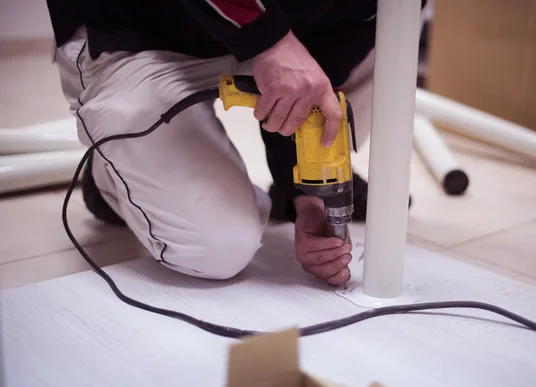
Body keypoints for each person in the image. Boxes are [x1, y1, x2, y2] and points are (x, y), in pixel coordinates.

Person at [46, 0, 426, 286]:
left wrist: (307, 193)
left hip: (285, 34)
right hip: (136, 35)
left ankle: (289, 187)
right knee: (218, 249)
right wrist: (267, 38)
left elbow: (333, 60)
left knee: (394, 34)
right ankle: (113, 174)